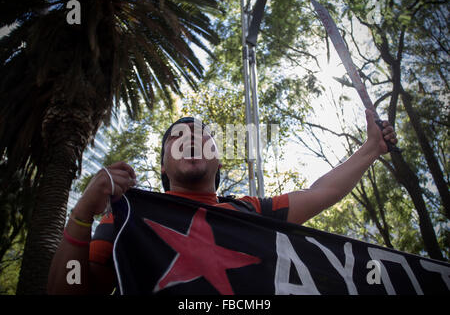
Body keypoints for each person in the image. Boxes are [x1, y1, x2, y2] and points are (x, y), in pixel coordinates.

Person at [47, 110, 397, 294]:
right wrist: (80, 214)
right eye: (177, 138)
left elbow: (323, 192)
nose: (191, 139)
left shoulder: (252, 213)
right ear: (163, 166)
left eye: (202, 135)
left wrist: (371, 149)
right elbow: (69, 292)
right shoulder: (126, 221)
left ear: (219, 159)